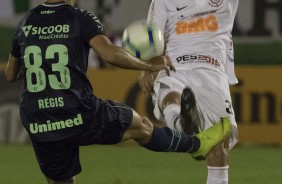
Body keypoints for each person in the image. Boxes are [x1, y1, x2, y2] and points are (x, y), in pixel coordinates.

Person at [5, 0, 231, 184]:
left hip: (39, 120)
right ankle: (196, 144)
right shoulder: (80, 18)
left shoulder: (26, 21)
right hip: (78, 111)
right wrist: (149, 65)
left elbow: (10, 74)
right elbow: (110, 54)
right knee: (141, 127)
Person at [139, 0, 239, 183]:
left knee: (219, 148)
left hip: (212, 70)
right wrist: (147, 67)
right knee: (171, 95)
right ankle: (181, 122)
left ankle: (182, 121)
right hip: (175, 64)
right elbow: (153, 33)